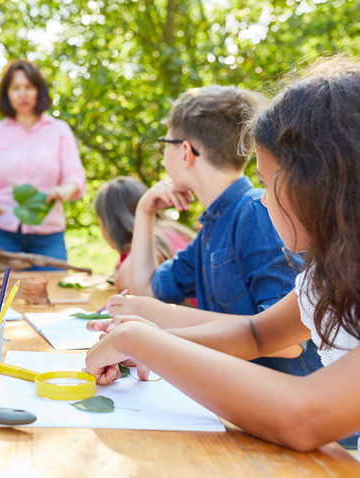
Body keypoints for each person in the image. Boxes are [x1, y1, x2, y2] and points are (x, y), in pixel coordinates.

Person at [86, 56, 360, 451]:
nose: (264, 200)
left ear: (315, 185)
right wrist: (149, 341)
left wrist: (141, 341)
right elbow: (255, 332)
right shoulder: (325, 275)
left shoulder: (251, 216)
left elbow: (303, 415)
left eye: (266, 183)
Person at [110, 85, 321, 376]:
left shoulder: (256, 212)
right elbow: (145, 290)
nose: (162, 156)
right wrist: (145, 212)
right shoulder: (211, 228)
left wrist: (162, 316)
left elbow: (288, 344)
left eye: (164, 145)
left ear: (184, 151)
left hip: (280, 401)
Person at [0, 59, 86, 265]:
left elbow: (75, 177)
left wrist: (64, 191)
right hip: (2, 232)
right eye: (15, 88)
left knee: (53, 292)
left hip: (48, 234)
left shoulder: (59, 131)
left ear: (38, 91)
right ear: (7, 93)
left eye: (28, 87)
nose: (22, 94)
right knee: (2, 295)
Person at [94, 176, 196, 293]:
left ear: (111, 224)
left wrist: (118, 277)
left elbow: (129, 283)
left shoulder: (153, 239)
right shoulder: (170, 229)